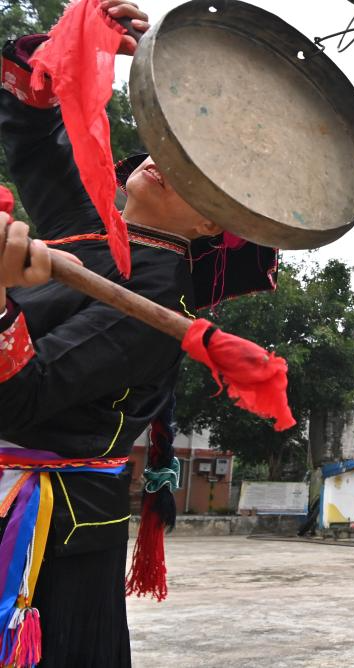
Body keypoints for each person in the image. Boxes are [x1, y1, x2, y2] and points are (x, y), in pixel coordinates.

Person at [0, 1, 276, 664]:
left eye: (195, 179)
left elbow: (22, 398)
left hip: (46, 530)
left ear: (211, 225)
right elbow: (29, 134)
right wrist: (72, 48)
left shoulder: (159, 304)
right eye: (172, 152)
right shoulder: (91, 226)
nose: (166, 165)